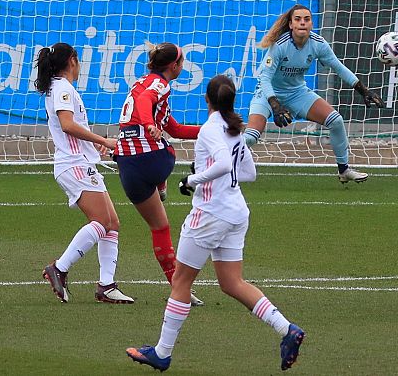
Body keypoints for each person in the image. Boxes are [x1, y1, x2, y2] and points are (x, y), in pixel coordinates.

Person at [127, 75, 305, 372]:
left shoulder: (211, 128)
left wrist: (193, 179)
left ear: (207, 100)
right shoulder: (234, 128)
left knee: (181, 281)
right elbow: (248, 172)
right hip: (236, 213)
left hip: (210, 215)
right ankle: (287, 329)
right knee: (232, 283)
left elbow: (223, 164)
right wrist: (215, 173)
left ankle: (162, 352)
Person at [36, 42, 134, 304]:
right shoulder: (63, 89)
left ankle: (106, 286)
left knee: (112, 223)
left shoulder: (60, 88)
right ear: (72, 60)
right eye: (78, 60)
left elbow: (70, 127)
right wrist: (103, 141)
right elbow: (67, 125)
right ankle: (59, 268)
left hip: (79, 162)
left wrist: (92, 147)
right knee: (102, 222)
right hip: (73, 164)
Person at [242, 4, 383, 183]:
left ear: (311, 24)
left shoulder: (318, 44)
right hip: (267, 94)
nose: (302, 23)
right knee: (251, 137)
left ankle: (344, 169)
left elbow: (338, 68)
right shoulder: (280, 45)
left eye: (306, 19)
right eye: (298, 19)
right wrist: (275, 105)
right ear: (291, 24)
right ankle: (214, 160)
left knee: (336, 120)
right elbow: (265, 79)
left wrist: (363, 90)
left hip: (297, 93)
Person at [113, 41, 204, 305]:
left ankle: (179, 289)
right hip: (150, 159)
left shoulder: (141, 81)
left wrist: (209, 130)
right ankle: (161, 184)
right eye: (182, 63)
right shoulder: (159, 84)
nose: (182, 67)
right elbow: (144, 102)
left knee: (160, 226)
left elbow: (174, 128)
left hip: (127, 166)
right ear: (174, 66)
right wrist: (150, 124)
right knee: (170, 153)